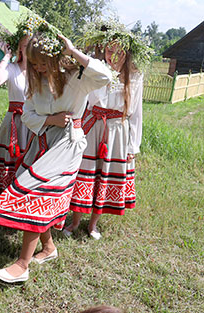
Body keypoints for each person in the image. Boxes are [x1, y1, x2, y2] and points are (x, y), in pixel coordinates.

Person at [0, 23, 112, 283]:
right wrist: (51, 120)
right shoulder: (37, 82)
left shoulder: (77, 77)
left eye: (42, 63)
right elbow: (29, 113)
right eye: (33, 64)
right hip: (41, 140)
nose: (37, 68)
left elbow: (105, 76)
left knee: (37, 194)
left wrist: (74, 51)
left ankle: (22, 264)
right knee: (36, 193)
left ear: (55, 58)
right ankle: (49, 248)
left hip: (67, 144)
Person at [64, 21, 150, 240]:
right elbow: (83, 100)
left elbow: (136, 113)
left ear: (127, 53)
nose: (113, 56)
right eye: (110, 50)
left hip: (117, 132)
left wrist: (133, 146)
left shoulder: (135, 77)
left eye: (119, 52)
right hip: (92, 126)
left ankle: (93, 224)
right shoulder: (96, 69)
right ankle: (75, 221)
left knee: (105, 177)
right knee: (85, 174)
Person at [0, 35, 31, 197]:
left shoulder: (41, 71)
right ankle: (3, 200)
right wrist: (7, 56)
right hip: (15, 122)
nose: (29, 49)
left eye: (32, 45)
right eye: (25, 45)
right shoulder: (12, 68)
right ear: (19, 48)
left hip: (35, 123)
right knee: (9, 159)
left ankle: (23, 200)